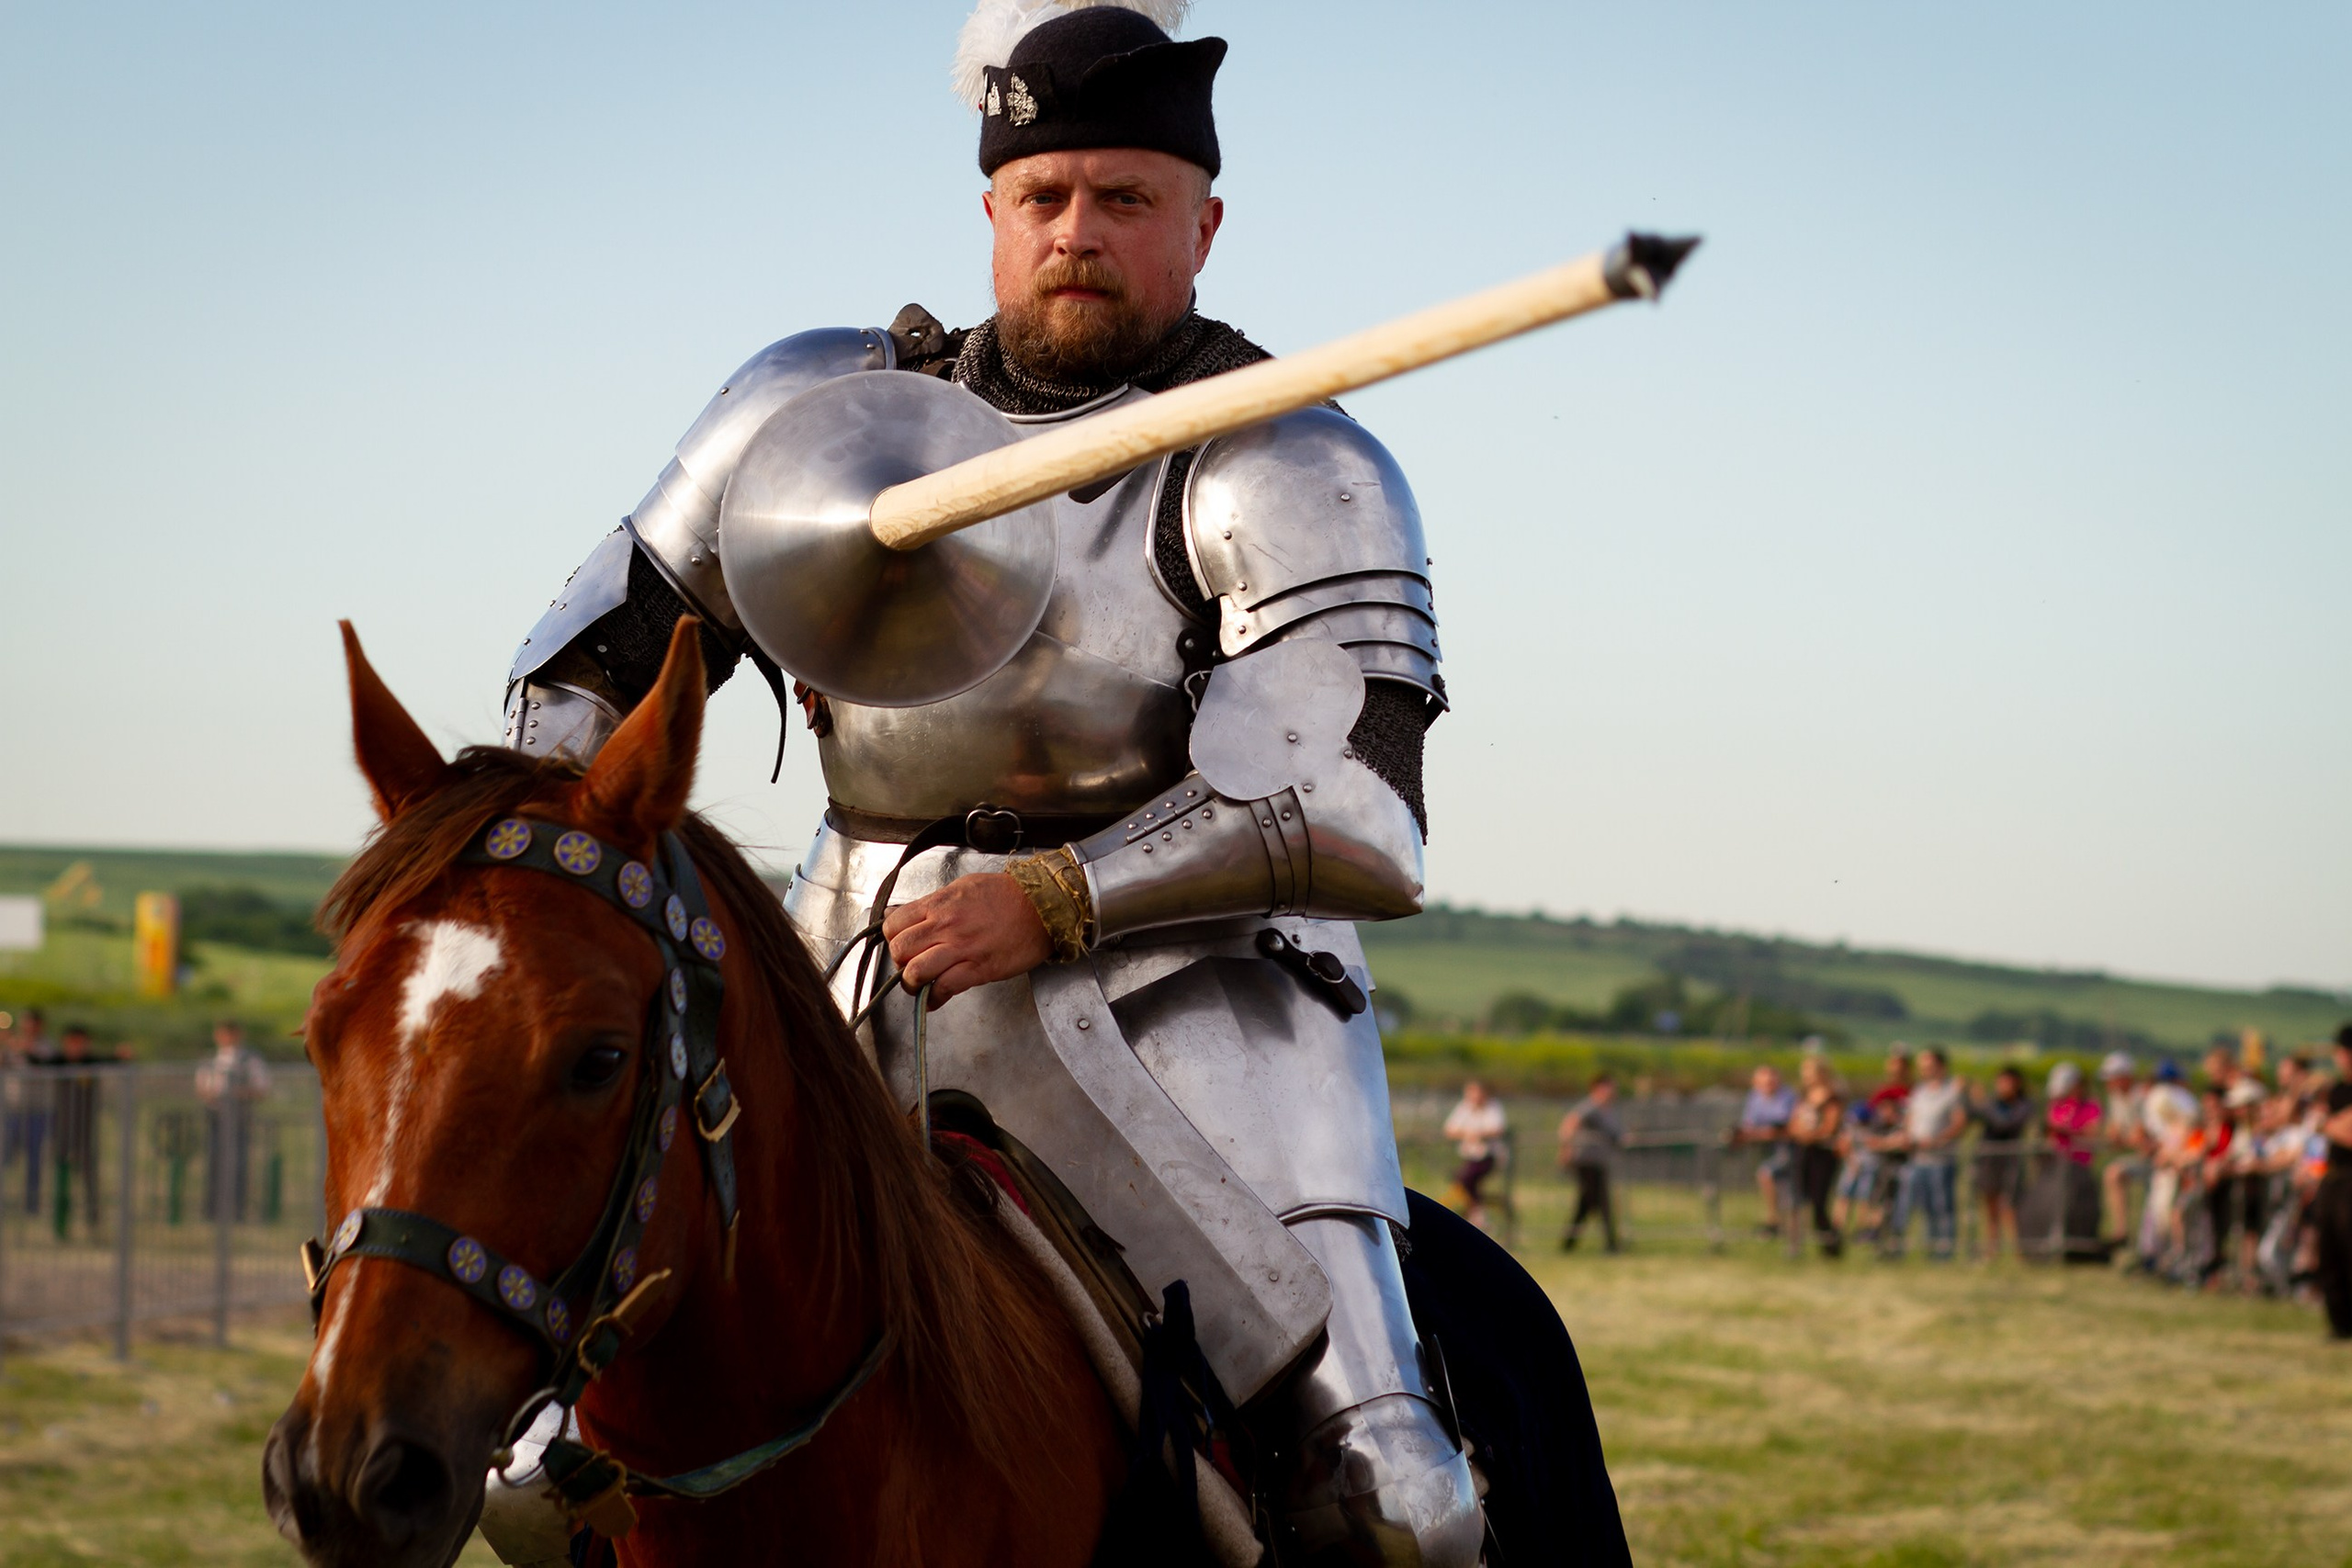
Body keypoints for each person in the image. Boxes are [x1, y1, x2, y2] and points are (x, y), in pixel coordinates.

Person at [492, 6, 1499, 1556]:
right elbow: (590, 652)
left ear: (1204, 225)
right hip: (842, 970)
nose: (1078, 232)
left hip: (1195, 1000)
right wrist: (547, 850)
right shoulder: (822, 412)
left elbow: (1365, 818)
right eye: (1045, 199)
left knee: (1398, 1511)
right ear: (992, 215)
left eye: (1126, 199)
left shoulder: (1288, 460)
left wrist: (1055, 895)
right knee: (538, 1464)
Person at [1890, 1047, 1965, 1260]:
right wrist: (1906, 1136)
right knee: (1923, 1208)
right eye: (1922, 1067)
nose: (1924, 1070)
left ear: (1941, 1067)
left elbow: (1959, 1123)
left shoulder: (1951, 1092)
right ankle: (1928, 1248)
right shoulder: (1919, 1092)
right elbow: (1910, 1120)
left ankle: (1944, 1252)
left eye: (1929, 1066)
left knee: (1943, 1207)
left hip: (1941, 1160)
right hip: (1918, 1159)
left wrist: (1938, 1140)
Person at [195, 1020, 272, 1224]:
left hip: (239, 1118)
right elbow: (202, 1087)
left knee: (238, 1164)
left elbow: (260, 1088)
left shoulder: (250, 1060)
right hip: (216, 1117)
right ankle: (212, 1209)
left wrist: (234, 1093)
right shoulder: (210, 1060)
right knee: (214, 1162)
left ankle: (236, 1210)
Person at [1836, 1051, 1913, 1242]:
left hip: (1897, 1156)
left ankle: (1872, 1231)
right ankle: (1842, 1232)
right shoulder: (1882, 1093)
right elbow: (1865, 1122)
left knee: (1878, 1197)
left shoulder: (1913, 1092)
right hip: (1874, 1154)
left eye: (1899, 1066)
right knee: (1854, 1193)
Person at [2311, 1026, 2352, 1337]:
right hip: (2331, 1175)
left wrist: (2327, 1124)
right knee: (2328, 1251)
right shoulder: (2337, 1090)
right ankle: (2338, 1323)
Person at [1968, 1066, 2032, 1260]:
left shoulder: (2025, 1105)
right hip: (1989, 1161)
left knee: (2010, 1206)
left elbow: (2003, 1123)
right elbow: (1972, 1114)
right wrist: (1969, 1098)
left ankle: (2018, 1250)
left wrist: (1982, 1103)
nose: (2003, 1087)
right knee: (1990, 1206)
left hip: (2010, 1160)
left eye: (2008, 1082)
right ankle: (1991, 1249)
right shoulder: (1992, 1103)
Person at [1556, 1075, 1623, 1253]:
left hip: (1599, 1162)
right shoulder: (1590, 1107)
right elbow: (1570, 1124)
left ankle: (1569, 1244)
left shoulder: (1607, 1110)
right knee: (1600, 1201)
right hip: (1585, 1161)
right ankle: (1611, 1244)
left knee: (1587, 1203)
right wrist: (1566, 1148)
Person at [1787, 1057, 1845, 1257]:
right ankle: (1796, 1245)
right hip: (1804, 1152)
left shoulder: (1831, 1097)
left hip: (1823, 1155)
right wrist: (1799, 1134)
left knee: (1819, 1202)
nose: (1806, 1076)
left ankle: (1831, 1246)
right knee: (1798, 1200)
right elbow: (1793, 1123)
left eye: (1809, 1071)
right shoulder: (1804, 1097)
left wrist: (1809, 1136)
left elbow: (1830, 1126)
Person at [1730, 1064, 1797, 1234]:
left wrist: (1756, 1134)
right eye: (1764, 1081)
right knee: (1771, 1181)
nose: (1769, 1083)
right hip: (1766, 1150)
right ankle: (1776, 1222)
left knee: (1768, 1175)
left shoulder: (1788, 1097)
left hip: (1790, 1150)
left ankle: (1776, 1222)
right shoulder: (1755, 1097)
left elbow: (1781, 1129)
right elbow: (1749, 1125)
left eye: (1772, 1080)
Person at [51, 1022, 103, 1236]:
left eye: (80, 1043)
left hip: (85, 1132)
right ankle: (61, 1226)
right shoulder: (58, 1063)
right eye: (72, 1043)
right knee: (61, 1179)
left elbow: (115, 1060)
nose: (76, 1048)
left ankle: (93, 1224)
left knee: (89, 1180)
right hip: (63, 1131)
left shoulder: (92, 1063)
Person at [2098, 1053, 2151, 1249]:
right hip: (2141, 1156)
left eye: (2112, 1078)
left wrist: (2122, 1138)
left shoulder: (2142, 1097)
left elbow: (2140, 1136)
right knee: (2113, 1175)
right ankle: (2121, 1231)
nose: (2109, 1083)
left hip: (2154, 1158)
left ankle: (2124, 1233)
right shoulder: (2116, 1098)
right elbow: (2115, 1131)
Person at [1442, 1079, 1509, 1232]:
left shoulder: (1492, 1107)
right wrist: (1467, 1134)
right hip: (1470, 1156)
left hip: (1488, 1156)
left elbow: (1498, 1129)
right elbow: (1449, 1129)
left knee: (1467, 1179)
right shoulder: (1465, 1107)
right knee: (1465, 1183)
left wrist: (1479, 1134)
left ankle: (1477, 1213)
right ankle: (1478, 1212)